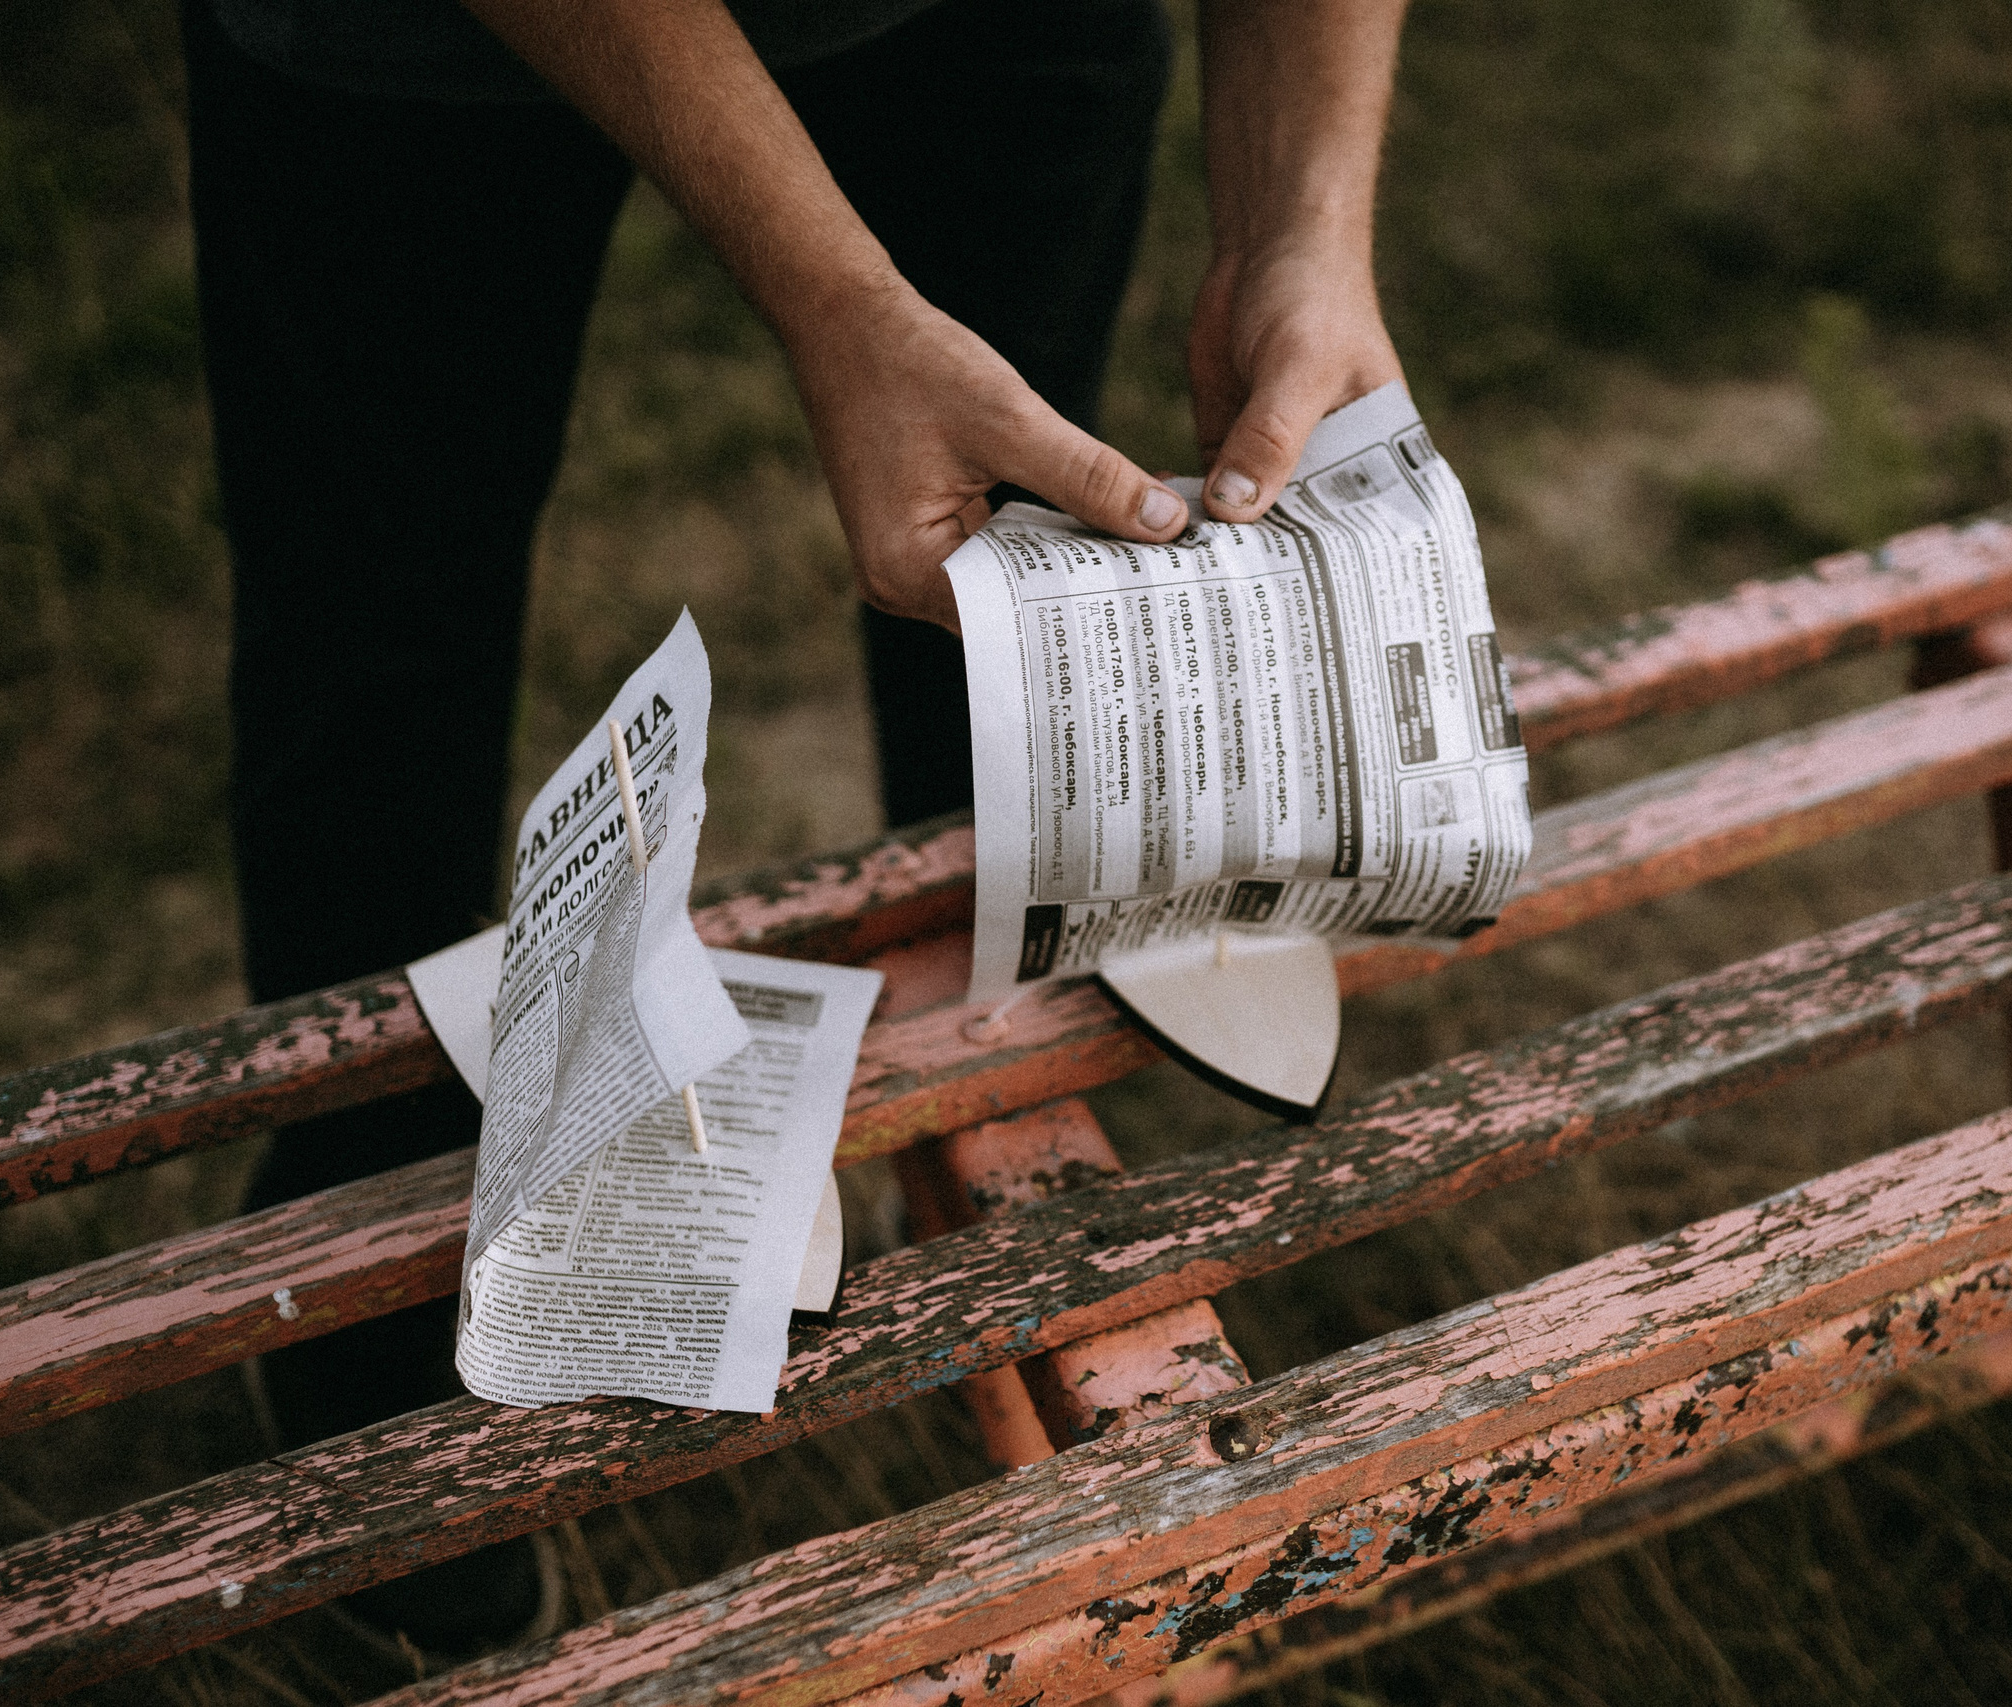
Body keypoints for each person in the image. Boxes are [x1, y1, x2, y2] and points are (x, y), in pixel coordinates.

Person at [183, 0, 1408, 1652]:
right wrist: (839, 305)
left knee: (1021, 562)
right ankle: (357, 1329)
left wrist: (1302, 230)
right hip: (405, 48)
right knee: (378, 634)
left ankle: (1011, 1181)